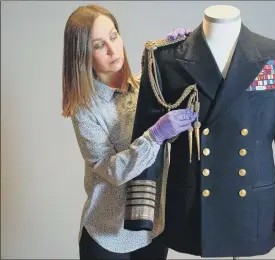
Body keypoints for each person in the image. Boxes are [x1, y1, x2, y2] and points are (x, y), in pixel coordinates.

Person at [61, 4, 194, 260]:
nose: (112, 49)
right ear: (82, 55)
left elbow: (188, 95)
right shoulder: (85, 110)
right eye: (98, 45)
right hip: (108, 236)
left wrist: (179, 53)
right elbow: (113, 171)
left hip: (152, 230)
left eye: (113, 36)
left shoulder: (147, 84)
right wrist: (154, 136)